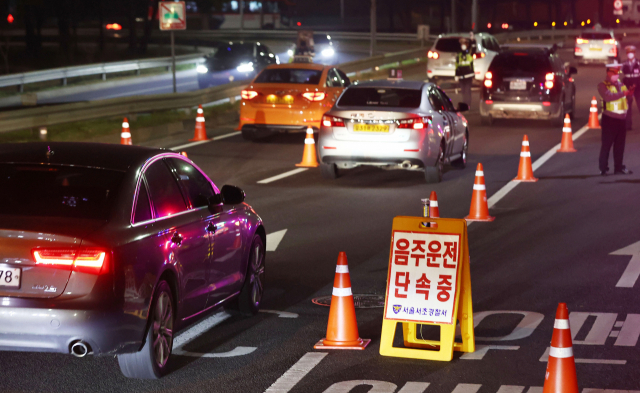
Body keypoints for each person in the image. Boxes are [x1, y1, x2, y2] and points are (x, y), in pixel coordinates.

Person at [597, 63, 634, 175]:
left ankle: (618, 168)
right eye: (615, 73)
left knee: (620, 145)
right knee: (606, 145)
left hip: (621, 119)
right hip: (610, 119)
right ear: (609, 73)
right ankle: (603, 168)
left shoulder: (621, 85)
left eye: (618, 73)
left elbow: (627, 99)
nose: (617, 75)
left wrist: (629, 94)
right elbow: (608, 97)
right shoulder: (602, 85)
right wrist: (623, 93)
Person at [622, 45, 640, 130]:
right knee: (627, 107)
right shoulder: (624, 64)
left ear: (634, 53)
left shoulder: (639, 63)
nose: (630, 54)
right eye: (628, 53)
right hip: (628, 87)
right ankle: (628, 125)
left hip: (638, 87)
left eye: (631, 53)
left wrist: (636, 84)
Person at [455, 37, 474, 109]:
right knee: (463, 91)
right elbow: (457, 66)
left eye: (464, 43)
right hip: (461, 77)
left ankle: (468, 104)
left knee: (467, 90)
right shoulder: (459, 55)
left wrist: (472, 39)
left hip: (468, 76)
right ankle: (465, 104)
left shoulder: (469, 54)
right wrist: (456, 75)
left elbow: (472, 47)